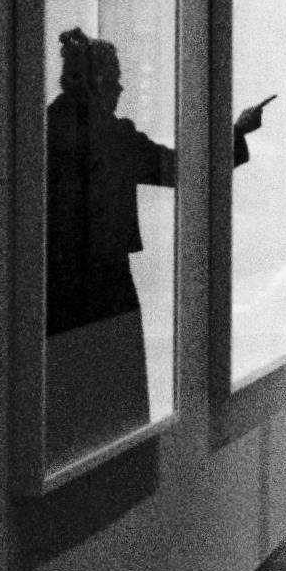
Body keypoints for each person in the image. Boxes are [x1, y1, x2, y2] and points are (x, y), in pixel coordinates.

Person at [44, 28, 179, 456]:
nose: (121, 86)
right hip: (104, 278)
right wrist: (232, 136)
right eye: (115, 76)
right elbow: (176, 168)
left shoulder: (47, 127)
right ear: (99, 81)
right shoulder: (110, 135)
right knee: (114, 398)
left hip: (58, 281)